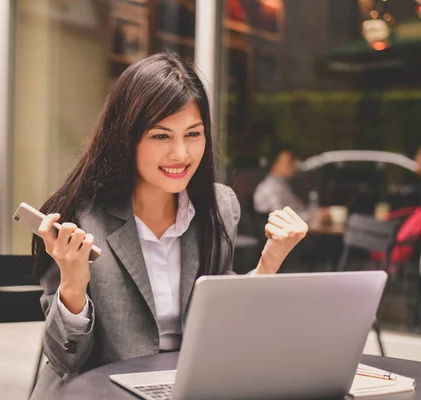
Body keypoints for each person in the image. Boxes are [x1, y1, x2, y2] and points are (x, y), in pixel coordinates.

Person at [29, 52, 308, 399]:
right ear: (126, 138)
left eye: (193, 134)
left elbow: (225, 327)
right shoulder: (80, 217)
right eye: (161, 137)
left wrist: (270, 262)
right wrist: (73, 284)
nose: (181, 154)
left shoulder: (219, 207)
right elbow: (63, 361)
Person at [253, 144, 327, 225]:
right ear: (275, 164)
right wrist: (318, 215)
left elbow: (297, 210)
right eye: (289, 162)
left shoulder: (282, 185)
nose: (293, 165)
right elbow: (283, 219)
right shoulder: (269, 188)